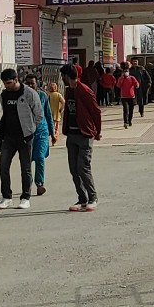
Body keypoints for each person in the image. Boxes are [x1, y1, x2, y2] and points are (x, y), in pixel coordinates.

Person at [0, 68, 43, 209]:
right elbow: (5, 113)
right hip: (8, 137)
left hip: (25, 137)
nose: (6, 86)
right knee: (3, 166)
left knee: (25, 168)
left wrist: (30, 130)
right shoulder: (4, 94)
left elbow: (39, 114)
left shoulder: (29, 93)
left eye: (9, 83)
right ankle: (6, 197)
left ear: (16, 80)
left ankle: (25, 197)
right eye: (4, 83)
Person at [59, 62, 102, 211]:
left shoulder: (84, 90)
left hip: (84, 134)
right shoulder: (68, 91)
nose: (62, 79)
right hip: (71, 134)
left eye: (62, 76)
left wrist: (97, 131)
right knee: (73, 168)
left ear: (66, 76)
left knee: (83, 167)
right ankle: (82, 199)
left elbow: (96, 111)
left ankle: (93, 197)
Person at [25, 73, 51, 198]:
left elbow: (48, 114)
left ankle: (40, 184)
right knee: (27, 161)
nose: (30, 85)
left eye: (33, 83)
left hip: (41, 132)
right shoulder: (22, 97)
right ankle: (27, 185)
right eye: (28, 83)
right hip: (27, 133)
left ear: (37, 84)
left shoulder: (42, 96)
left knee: (40, 157)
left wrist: (52, 132)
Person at [47, 77, 65, 150]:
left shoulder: (48, 95)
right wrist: (61, 109)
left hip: (49, 114)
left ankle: (51, 138)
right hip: (57, 114)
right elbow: (63, 102)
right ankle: (54, 140)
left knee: (50, 127)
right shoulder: (58, 95)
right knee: (56, 128)